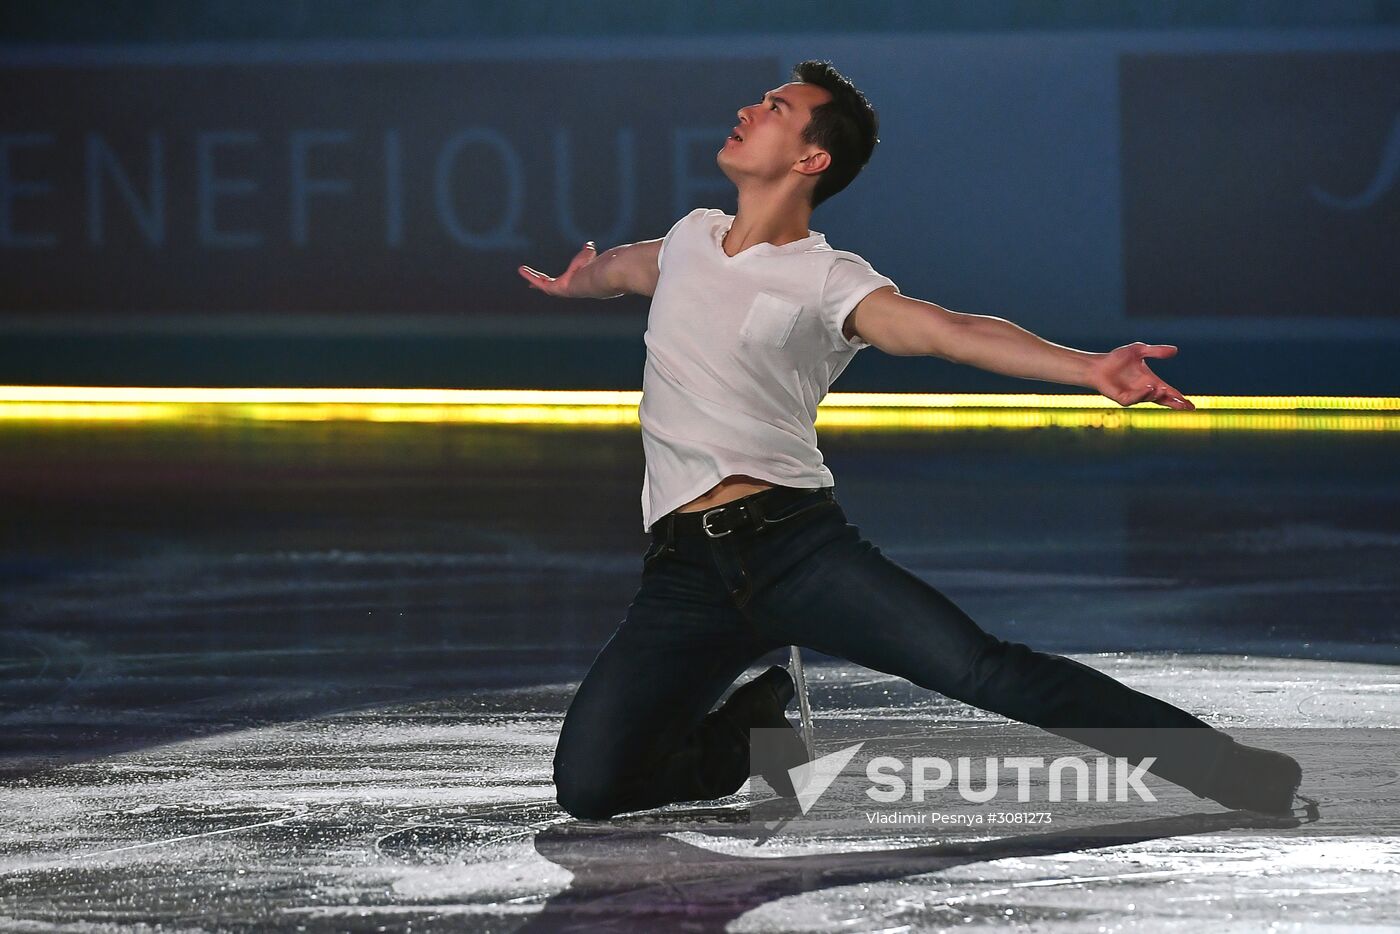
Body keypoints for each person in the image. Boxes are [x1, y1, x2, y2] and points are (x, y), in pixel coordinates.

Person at [519, 59, 1302, 821]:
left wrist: (1088, 368)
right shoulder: (691, 239)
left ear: (811, 157)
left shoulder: (828, 279)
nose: (750, 111)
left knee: (985, 670)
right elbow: (624, 269)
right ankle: (755, 740)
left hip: (795, 552)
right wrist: (575, 280)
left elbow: (948, 332)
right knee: (589, 787)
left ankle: (1230, 769)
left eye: (776, 108)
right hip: (683, 575)